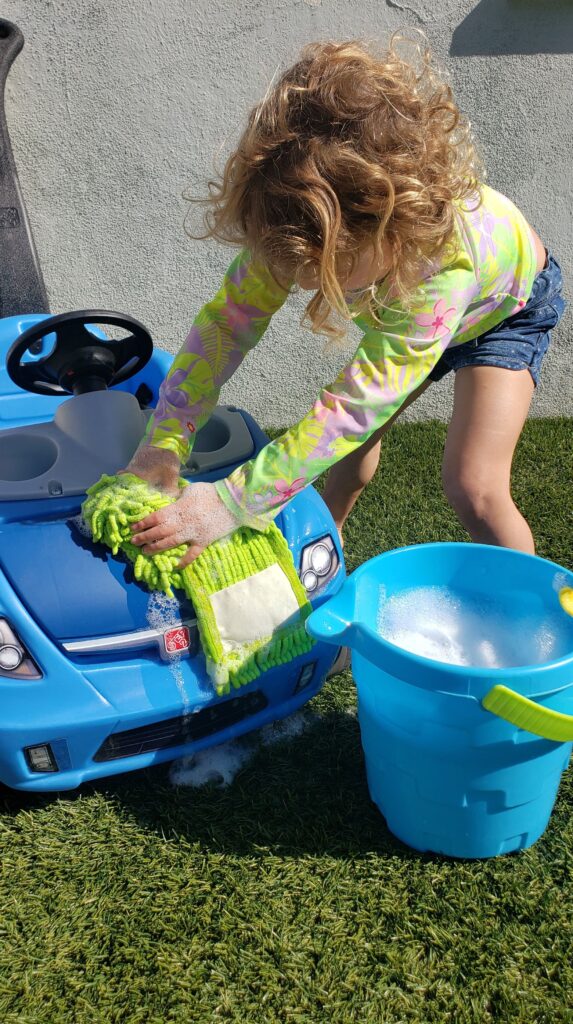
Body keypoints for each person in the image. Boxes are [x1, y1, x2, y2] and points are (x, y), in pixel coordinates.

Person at [126, 36, 565, 567]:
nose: (304, 282)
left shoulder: (444, 268)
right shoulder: (292, 217)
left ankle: (528, 611)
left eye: (324, 267)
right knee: (347, 445)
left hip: (502, 311)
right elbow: (226, 326)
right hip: (411, 308)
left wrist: (230, 502)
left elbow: (354, 406)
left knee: (474, 486)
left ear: (388, 227)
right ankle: (327, 534)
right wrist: (163, 443)